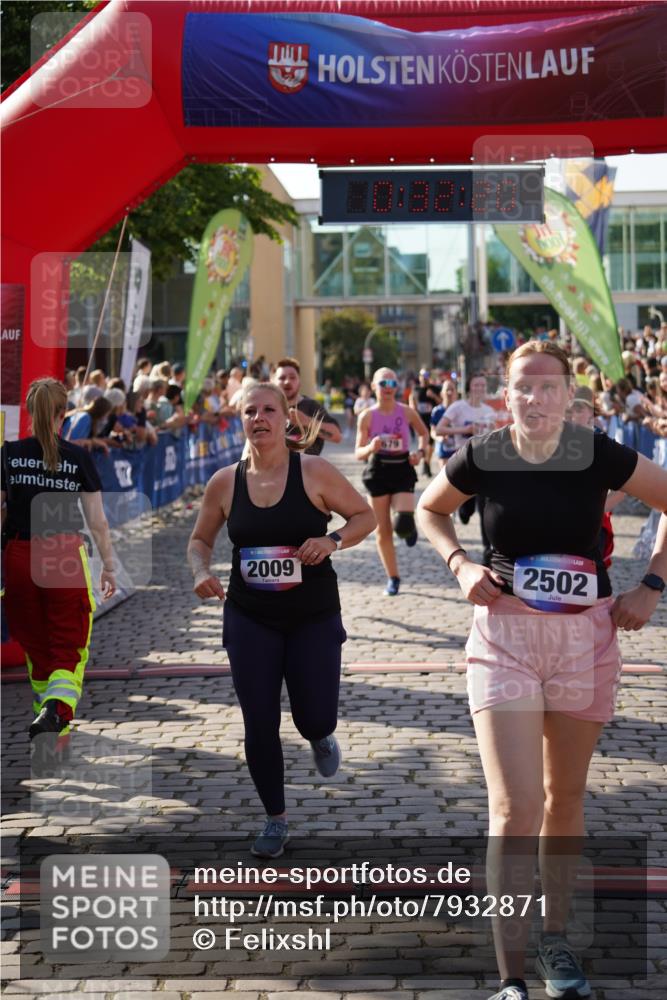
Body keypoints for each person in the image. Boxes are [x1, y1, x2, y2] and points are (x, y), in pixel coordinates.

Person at [418, 341, 667, 1000]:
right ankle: (510, 977)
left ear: (568, 394)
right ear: (505, 395)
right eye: (521, 387)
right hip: (503, 639)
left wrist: (650, 585)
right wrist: (459, 565)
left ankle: (555, 942)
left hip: (583, 642)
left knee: (562, 802)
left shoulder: (597, 452)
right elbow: (428, 508)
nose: (533, 398)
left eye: (546, 386)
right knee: (514, 807)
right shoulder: (486, 452)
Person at [187, 382, 375, 858]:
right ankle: (276, 817)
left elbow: (364, 517)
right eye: (250, 411)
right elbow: (200, 540)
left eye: (269, 409)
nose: (259, 418)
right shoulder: (224, 482)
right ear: (240, 419)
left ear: (286, 416)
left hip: (312, 615)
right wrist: (200, 571)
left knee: (315, 716)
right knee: (259, 720)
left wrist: (332, 541)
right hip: (251, 615)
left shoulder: (312, 470)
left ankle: (319, 735)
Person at [1, 378, 117, 757]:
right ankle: (54, 713)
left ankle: (52, 738)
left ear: (31, 413)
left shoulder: (10, 453)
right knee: (70, 650)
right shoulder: (78, 457)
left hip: (18, 554)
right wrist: (109, 566)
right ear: (63, 413)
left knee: (38, 649)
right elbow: (97, 521)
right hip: (63, 554)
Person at [355, 367, 429, 596]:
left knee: (403, 524)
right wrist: (370, 447)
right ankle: (393, 577)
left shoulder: (406, 412)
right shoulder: (366, 415)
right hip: (378, 470)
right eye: (382, 384)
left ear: (396, 388)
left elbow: (424, 434)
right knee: (383, 530)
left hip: (401, 468)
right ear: (374, 387)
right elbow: (358, 452)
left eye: (391, 384)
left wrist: (419, 452)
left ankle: (408, 526)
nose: (387, 389)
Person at [435, 373, 497, 565]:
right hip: (462, 461)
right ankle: (463, 509)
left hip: (486, 464)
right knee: (467, 507)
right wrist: (464, 431)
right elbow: (439, 429)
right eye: (476, 385)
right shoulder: (458, 407)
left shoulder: (489, 411)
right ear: (470, 388)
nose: (480, 388)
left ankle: (488, 553)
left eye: (483, 385)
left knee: (486, 506)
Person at [273, 357, 342, 455]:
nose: (287, 382)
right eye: (282, 378)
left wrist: (307, 421)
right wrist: (242, 469)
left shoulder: (312, 406)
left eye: (292, 377)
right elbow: (250, 446)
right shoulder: (265, 408)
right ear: (272, 381)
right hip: (274, 469)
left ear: (299, 381)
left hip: (305, 469)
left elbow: (337, 436)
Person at [410, 367, 441, 476]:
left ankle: (426, 462)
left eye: (426, 375)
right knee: (423, 442)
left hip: (432, 419)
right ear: (419, 377)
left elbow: (441, 402)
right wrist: (413, 412)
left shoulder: (434, 388)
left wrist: (434, 396)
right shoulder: (416, 389)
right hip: (420, 419)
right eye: (422, 375)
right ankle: (425, 463)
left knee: (431, 444)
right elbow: (412, 401)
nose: (424, 378)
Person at [430, 379, 459, 470]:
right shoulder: (437, 411)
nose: (449, 392)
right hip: (443, 451)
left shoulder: (461, 409)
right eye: (447, 390)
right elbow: (433, 431)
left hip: (459, 451)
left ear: (456, 393)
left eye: (452, 389)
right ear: (442, 393)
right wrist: (439, 438)